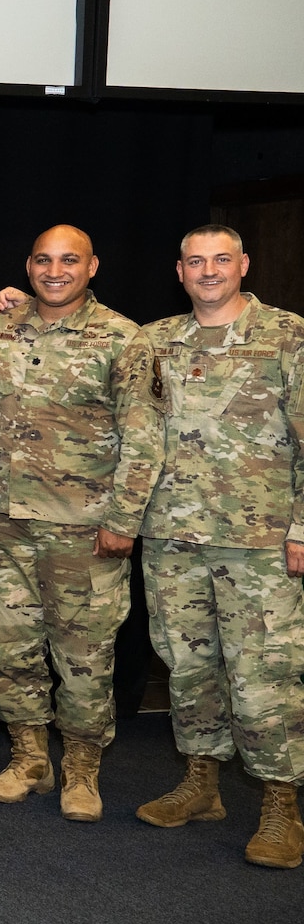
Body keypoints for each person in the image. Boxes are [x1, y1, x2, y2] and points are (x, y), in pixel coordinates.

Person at [124, 226, 304, 868]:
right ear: (178, 271)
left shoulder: (288, 334)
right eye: (195, 262)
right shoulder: (152, 340)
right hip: (172, 537)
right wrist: (12, 302)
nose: (208, 271)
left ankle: (281, 806)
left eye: (220, 260)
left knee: (264, 676)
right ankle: (202, 785)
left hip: (259, 544)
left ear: (243, 265)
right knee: (188, 666)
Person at [0, 226, 150, 821]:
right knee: (9, 645)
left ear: (92, 267)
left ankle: (81, 768)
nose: (56, 271)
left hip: (86, 529)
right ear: (28, 267)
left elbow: (144, 437)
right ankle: (29, 758)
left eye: (69, 260)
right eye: (44, 261)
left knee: (84, 655)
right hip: (4, 521)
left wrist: (124, 521)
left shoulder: (122, 338)